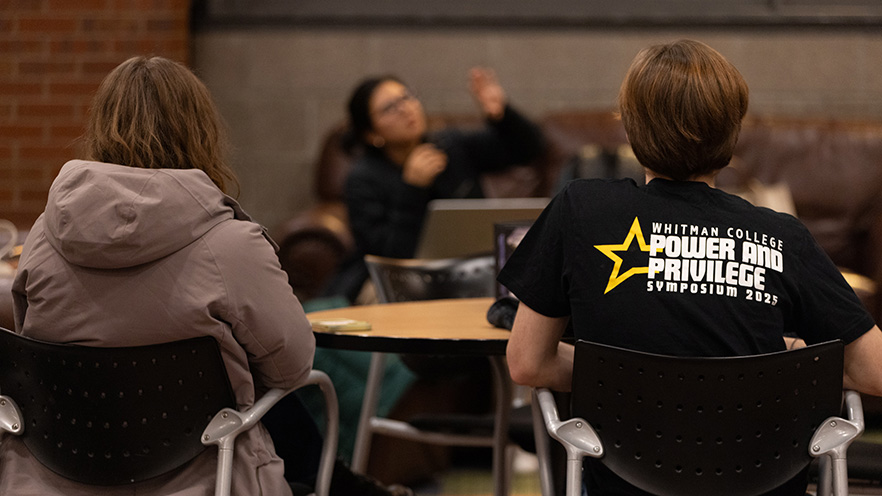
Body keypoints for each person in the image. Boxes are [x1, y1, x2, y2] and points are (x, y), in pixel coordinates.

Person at [3, 56, 408, 496]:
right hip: (203, 475)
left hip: (53, 476)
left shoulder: (43, 234)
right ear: (199, 130)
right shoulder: (231, 244)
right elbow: (292, 367)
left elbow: (32, 342)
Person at [499, 39, 882, 496]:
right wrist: (770, 361)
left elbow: (527, 362)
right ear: (733, 129)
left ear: (629, 126)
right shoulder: (783, 236)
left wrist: (623, 366)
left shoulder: (579, 209)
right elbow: (875, 370)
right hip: (762, 484)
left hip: (626, 484)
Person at [334, 67, 545, 300]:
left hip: (470, 267)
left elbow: (529, 150)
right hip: (400, 277)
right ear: (372, 134)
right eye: (389, 108)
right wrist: (412, 189)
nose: (406, 108)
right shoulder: (363, 179)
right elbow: (389, 256)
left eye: (406, 97)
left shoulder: (450, 147)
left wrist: (501, 115)